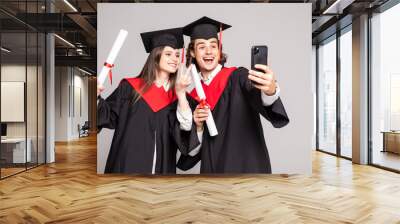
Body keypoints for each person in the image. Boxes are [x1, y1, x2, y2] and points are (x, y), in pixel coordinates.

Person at [178, 16, 290, 173]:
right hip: (213, 174)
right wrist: (198, 126)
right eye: (202, 46)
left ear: (219, 50)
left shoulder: (238, 77)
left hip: (246, 169)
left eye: (213, 46)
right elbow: (191, 154)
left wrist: (270, 89)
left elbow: (258, 93)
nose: (209, 51)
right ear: (192, 52)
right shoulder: (192, 98)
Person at [97, 27, 193, 174]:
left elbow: (186, 131)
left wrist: (181, 96)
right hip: (127, 162)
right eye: (168, 54)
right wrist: (96, 98)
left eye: (177, 55)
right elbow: (108, 116)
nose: (174, 59)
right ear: (156, 56)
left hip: (162, 168)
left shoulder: (178, 96)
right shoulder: (130, 88)